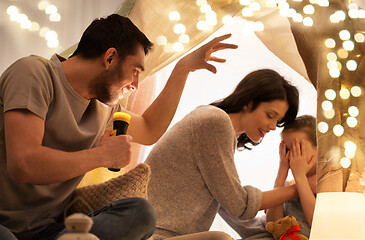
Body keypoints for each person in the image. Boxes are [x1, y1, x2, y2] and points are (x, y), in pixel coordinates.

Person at [0, 14, 238, 240]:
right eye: (135, 72)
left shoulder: (104, 109)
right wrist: (101, 155)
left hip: (50, 231)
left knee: (140, 212)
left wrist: (182, 69)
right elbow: (24, 164)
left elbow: (150, 128)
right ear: (110, 57)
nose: (135, 85)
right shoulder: (35, 73)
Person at [145, 69, 302, 240]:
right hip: (153, 234)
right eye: (270, 115)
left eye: (277, 121)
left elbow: (229, 205)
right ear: (248, 102)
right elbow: (239, 205)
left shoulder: (219, 127)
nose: (273, 126)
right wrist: (301, 187)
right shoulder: (215, 122)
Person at [266, 115, 317, 238]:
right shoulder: (287, 185)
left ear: (319, 148)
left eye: (297, 148)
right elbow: (273, 224)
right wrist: (281, 174)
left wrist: (300, 177)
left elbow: (317, 223)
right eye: (287, 149)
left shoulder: (326, 182)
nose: (292, 156)